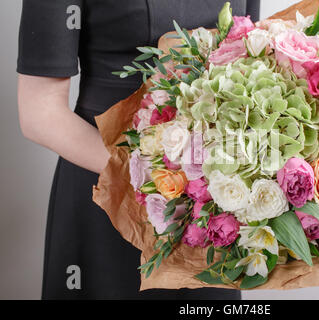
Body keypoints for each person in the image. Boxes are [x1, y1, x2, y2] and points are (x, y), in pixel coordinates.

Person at [17, 0, 260, 300]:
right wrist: (152, 175)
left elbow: (247, 62)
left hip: (210, 207)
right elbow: (39, 114)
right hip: (107, 191)